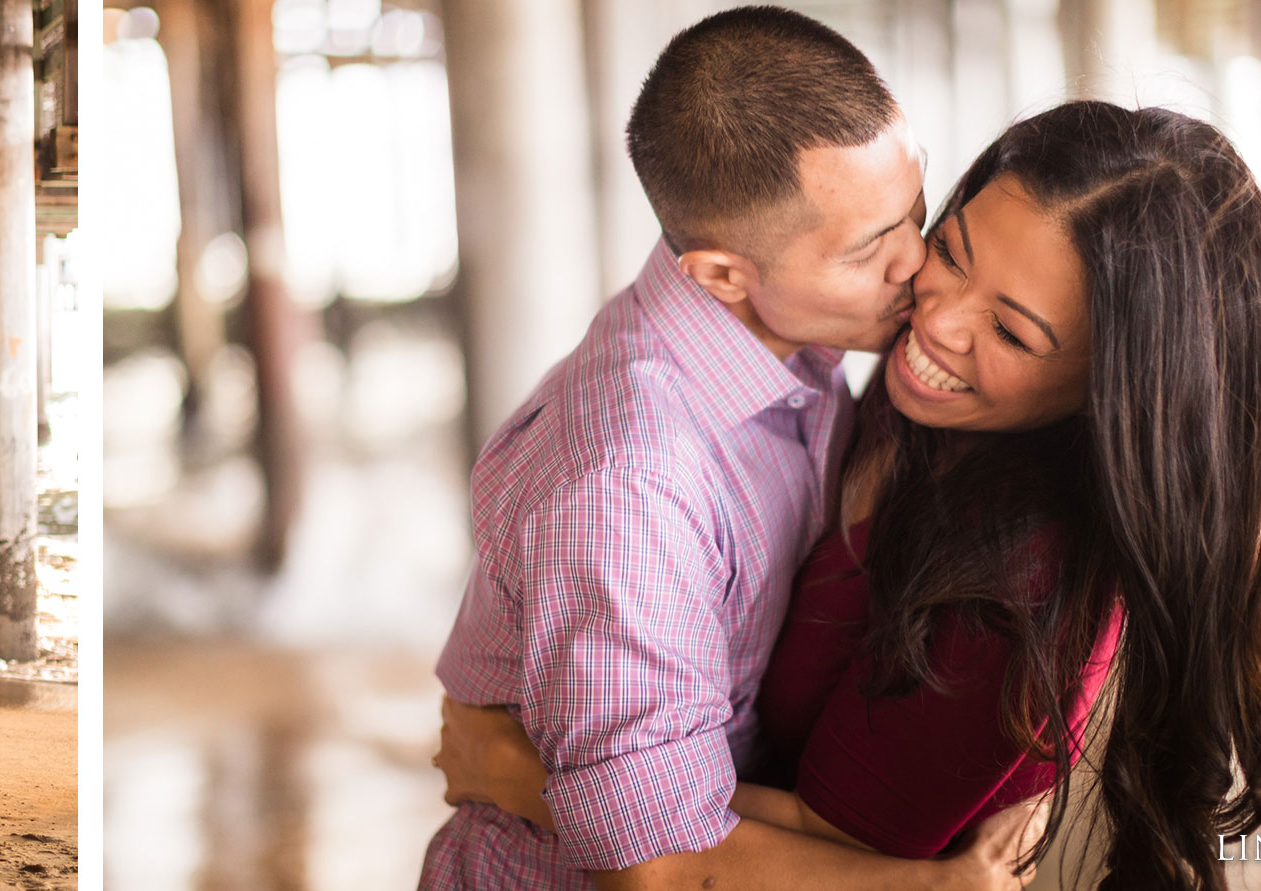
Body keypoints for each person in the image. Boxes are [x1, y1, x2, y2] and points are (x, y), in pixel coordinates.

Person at [437, 101, 1261, 891]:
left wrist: (520, 772)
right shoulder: (902, 407)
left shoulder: (1017, 591)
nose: (936, 318)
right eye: (951, 250)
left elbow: (819, 847)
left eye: (1010, 330)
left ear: (1117, 391)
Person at [421, 8, 1046, 890]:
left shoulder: (806, 333)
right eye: (872, 248)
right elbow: (659, 864)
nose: (921, 265)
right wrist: (940, 886)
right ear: (720, 274)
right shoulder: (628, 483)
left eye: (915, 209)